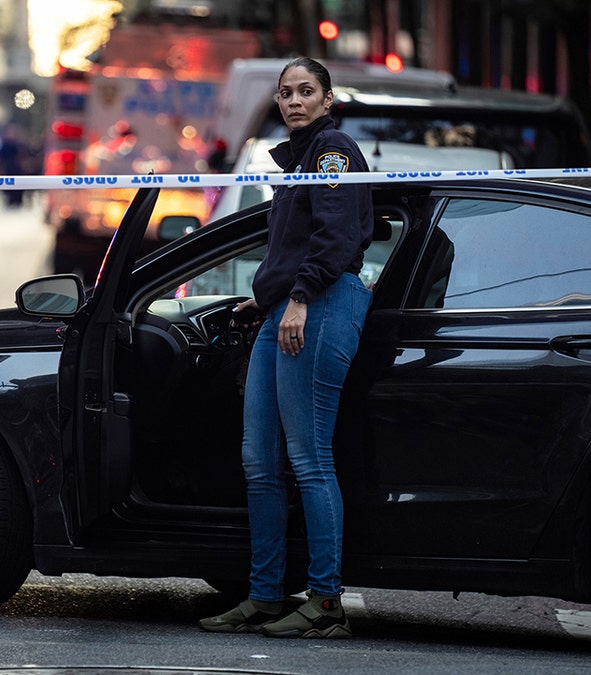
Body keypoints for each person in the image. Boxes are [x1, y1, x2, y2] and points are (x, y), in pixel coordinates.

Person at [199, 57, 373, 639]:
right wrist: (267, 300)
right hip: (288, 307)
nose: (294, 101)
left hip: (321, 305)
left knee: (309, 459)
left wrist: (298, 297)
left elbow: (337, 235)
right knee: (259, 461)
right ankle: (267, 596)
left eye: (306, 92)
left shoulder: (331, 153)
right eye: (286, 94)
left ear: (327, 100)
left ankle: (325, 604)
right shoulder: (296, 160)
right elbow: (294, 243)